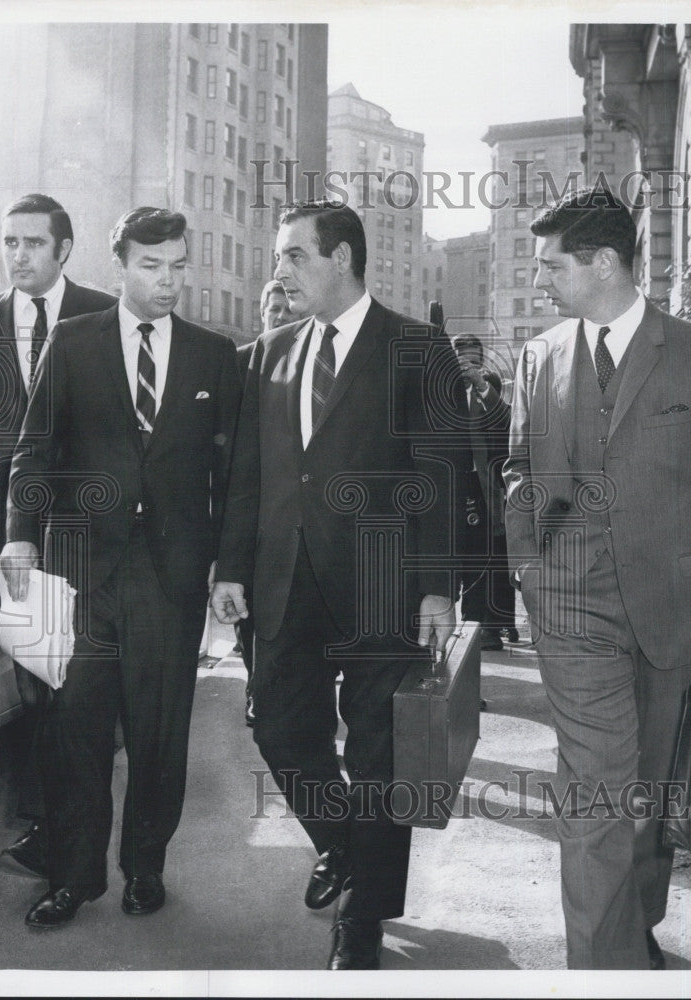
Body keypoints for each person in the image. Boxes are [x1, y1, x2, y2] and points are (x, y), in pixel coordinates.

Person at [211, 200, 464, 970]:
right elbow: (248, 475)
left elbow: (441, 476)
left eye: (294, 255)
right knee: (280, 730)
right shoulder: (268, 353)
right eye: (280, 256)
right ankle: (346, 846)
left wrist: (437, 589)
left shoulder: (417, 348)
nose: (279, 269)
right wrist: (229, 569)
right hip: (285, 583)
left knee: (380, 757)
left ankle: (361, 925)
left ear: (343, 257)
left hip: (384, 590)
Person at [0, 207, 242, 928]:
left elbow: (232, 474)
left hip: (170, 577)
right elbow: (34, 449)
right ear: (121, 267)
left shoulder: (212, 353)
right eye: (150, 266)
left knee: (159, 731)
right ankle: (75, 880)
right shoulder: (74, 342)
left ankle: (145, 869)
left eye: (177, 266)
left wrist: (229, 564)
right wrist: (20, 537)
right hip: (81, 575)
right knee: (76, 730)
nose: (168, 282)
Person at [503, 187, 691, 969]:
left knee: (652, 791)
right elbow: (519, 467)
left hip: (675, 602)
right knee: (596, 792)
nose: (541, 282)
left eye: (552, 265)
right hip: (570, 603)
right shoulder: (539, 356)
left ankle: (638, 926)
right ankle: (605, 972)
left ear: (602, 262)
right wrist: (528, 564)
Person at [0, 193, 116, 880]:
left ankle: (55, 829)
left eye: (33, 243)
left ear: (64, 249)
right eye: (9, 242)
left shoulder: (103, 316)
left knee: (60, 687)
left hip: (76, 540)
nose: (18, 255)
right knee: (19, 681)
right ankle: (47, 823)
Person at [231, 279, 300, 726]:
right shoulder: (239, 363)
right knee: (248, 613)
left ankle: (279, 694)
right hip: (249, 514)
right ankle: (257, 686)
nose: (277, 317)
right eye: (270, 310)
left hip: (292, 513)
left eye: (284, 309)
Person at [452, 335, 516, 653]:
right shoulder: (437, 391)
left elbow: (508, 424)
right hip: (447, 487)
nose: (468, 367)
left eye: (474, 361)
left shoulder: (486, 394)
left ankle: (479, 628)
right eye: (462, 360)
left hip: (480, 489)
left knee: (481, 559)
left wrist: (480, 385)